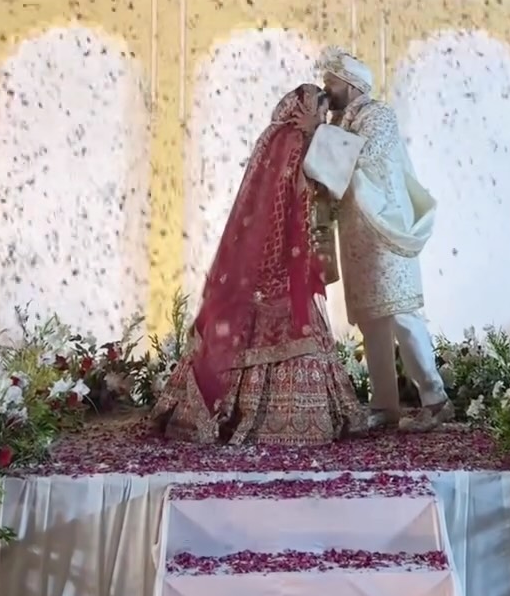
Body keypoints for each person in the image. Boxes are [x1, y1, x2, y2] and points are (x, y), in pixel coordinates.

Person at [153, 84, 365, 447]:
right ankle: (282, 419)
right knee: (295, 326)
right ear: (302, 112)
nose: (323, 118)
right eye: (319, 111)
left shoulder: (273, 138)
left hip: (261, 258)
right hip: (282, 259)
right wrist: (316, 135)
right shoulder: (293, 141)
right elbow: (321, 182)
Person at [302, 50, 452, 433]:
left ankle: (435, 400)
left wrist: (318, 133)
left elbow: (363, 156)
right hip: (356, 234)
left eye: (332, 82)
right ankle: (384, 405)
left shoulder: (378, 115)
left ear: (352, 85)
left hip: (386, 229)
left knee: (401, 313)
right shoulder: (340, 121)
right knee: (371, 319)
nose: (326, 89)